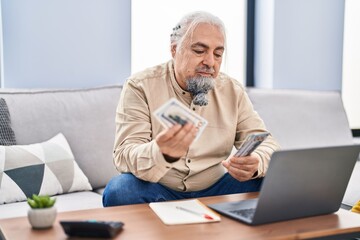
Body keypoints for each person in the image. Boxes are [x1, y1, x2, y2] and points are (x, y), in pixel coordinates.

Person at [103, 11, 280, 207]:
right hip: (160, 188)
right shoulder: (140, 86)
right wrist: (160, 152)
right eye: (199, 51)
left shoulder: (233, 90)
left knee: (272, 181)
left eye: (218, 54)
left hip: (217, 188)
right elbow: (124, 154)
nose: (210, 62)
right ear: (174, 50)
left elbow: (267, 143)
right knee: (120, 190)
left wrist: (256, 161)